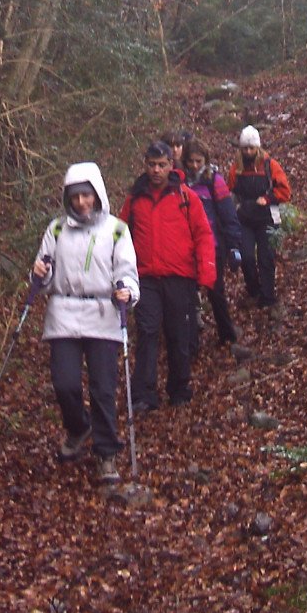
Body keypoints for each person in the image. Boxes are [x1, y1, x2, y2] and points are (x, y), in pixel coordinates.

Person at [31, 162, 140, 484]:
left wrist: (127, 292)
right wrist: (40, 273)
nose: (81, 203)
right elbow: (44, 276)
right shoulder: (56, 230)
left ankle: (107, 454)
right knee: (64, 384)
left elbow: (127, 271)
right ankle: (79, 428)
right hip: (63, 313)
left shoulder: (117, 229)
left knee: (103, 389)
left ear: (98, 194)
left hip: (103, 314)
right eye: (75, 197)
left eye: (87, 196)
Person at [119, 140, 216, 411]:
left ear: (171, 166)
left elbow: (203, 234)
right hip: (145, 278)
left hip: (179, 277)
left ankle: (179, 388)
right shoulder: (135, 199)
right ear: (145, 165)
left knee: (178, 334)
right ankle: (144, 394)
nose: (156, 171)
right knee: (147, 333)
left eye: (162, 165)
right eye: (152, 165)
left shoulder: (186, 197)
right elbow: (119, 236)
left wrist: (206, 273)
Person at [182, 136, 249, 359]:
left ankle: (227, 334)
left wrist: (234, 247)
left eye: (198, 161)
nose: (194, 165)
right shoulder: (180, 183)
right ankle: (190, 345)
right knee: (189, 297)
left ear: (206, 160)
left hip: (213, 246)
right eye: (190, 161)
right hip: (186, 247)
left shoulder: (215, 181)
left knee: (215, 292)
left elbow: (228, 215)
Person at [227, 126, 291, 310]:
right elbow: (229, 192)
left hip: (267, 218)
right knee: (246, 258)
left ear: (257, 147)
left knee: (266, 257)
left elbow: (285, 191)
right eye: (244, 148)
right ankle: (253, 291)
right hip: (245, 219)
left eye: (251, 148)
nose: (248, 152)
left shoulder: (270, 166)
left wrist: (268, 198)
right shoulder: (236, 169)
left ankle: (268, 297)